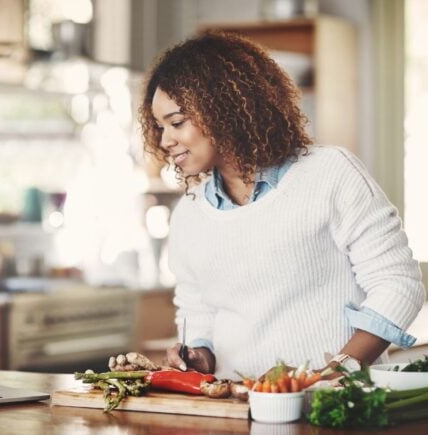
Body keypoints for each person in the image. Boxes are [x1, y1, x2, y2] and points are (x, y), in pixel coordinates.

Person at [138, 31, 425, 380]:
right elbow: (197, 309)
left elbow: (398, 283)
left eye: (177, 122)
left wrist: (335, 374)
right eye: (159, 126)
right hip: (236, 409)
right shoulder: (190, 213)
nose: (166, 140)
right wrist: (199, 353)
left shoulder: (330, 173)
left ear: (223, 108)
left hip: (335, 410)